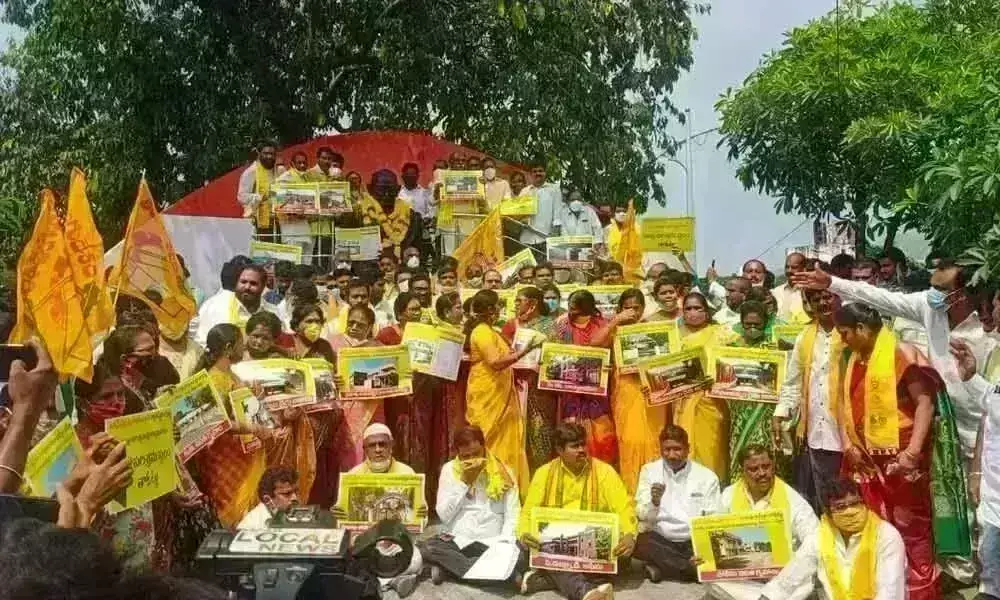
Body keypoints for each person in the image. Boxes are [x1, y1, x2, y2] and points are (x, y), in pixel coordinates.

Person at [833, 302, 939, 600]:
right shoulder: (850, 357)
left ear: (861, 329)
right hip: (864, 460)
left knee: (909, 525)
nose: (842, 339)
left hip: (902, 459)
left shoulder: (902, 353)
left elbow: (925, 403)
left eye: (845, 332)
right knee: (875, 524)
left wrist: (912, 453)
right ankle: (885, 588)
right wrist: (848, 444)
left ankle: (919, 591)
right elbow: (841, 403)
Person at [517, 423, 636, 600]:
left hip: (591, 547)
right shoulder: (544, 473)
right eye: (575, 446)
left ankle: (539, 580)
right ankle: (586, 591)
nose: (581, 450)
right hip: (556, 546)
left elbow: (623, 507)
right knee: (525, 550)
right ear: (559, 450)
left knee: (622, 557)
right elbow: (528, 512)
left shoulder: (604, 472)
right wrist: (525, 533)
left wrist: (629, 535)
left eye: (583, 444)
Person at [761, 478, 906, 600]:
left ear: (864, 503)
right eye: (841, 506)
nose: (850, 511)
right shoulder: (820, 537)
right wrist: (767, 597)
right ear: (828, 512)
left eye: (854, 503)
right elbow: (791, 576)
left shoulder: (887, 536)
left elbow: (891, 591)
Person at [707, 444, 818, 600]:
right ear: (742, 471)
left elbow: (814, 539)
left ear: (773, 466)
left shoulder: (793, 499)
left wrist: (779, 587)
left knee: (804, 583)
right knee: (712, 579)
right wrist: (703, 557)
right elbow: (712, 534)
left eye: (766, 466)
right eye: (754, 469)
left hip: (781, 578)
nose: (762, 473)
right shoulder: (729, 494)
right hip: (742, 576)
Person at [771, 288, 845, 512]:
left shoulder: (851, 331)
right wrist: (781, 412)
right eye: (816, 299)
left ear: (839, 297)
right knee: (824, 494)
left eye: (827, 296)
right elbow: (793, 381)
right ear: (809, 304)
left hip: (850, 430)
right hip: (817, 431)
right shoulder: (805, 336)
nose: (822, 302)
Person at [422, 426, 521, 585]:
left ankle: (451, 569)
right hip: (458, 541)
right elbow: (444, 516)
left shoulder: (505, 472)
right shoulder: (449, 470)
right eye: (466, 457)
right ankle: (501, 575)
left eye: (476, 454)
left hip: (492, 543)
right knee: (427, 547)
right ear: (458, 454)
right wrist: (464, 482)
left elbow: (513, 514)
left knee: (520, 554)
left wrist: (504, 545)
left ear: (484, 448)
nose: (473, 460)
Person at [335, 423, 424, 598]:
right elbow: (344, 521)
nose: (378, 450)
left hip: (396, 544)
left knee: (416, 559)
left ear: (391, 446)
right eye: (372, 445)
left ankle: (377, 583)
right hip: (367, 545)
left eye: (382, 444)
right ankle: (393, 581)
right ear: (365, 449)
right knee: (351, 560)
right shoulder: (353, 475)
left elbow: (417, 519)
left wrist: (422, 515)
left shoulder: (407, 473)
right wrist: (340, 514)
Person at [466, 290, 536, 492]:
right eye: (498, 306)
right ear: (490, 309)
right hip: (487, 393)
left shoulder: (492, 330)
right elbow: (495, 362)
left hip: (500, 391)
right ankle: (488, 488)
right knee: (488, 438)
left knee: (506, 441)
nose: (500, 310)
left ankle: (509, 489)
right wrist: (524, 352)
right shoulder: (481, 332)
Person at [634, 425, 720, 583]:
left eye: (677, 449)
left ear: (688, 449)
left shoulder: (707, 477)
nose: (672, 455)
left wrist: (703, 548)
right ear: (660, 449)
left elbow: (713, 518)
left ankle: (664, 568)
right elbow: (642, 515)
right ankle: (689, 570)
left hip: (692, 542)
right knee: (641, 542)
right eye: (667, 450)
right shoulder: (649, 471)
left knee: (712, 550)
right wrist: (654, 502)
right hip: (661, 539)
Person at [550, 290, 618, 464]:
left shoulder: (603, 325)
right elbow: (552, 353)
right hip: (570, 393)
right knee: (571, 431)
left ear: (586, 308)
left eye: (574, 308)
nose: (570, 311)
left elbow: (610, 353)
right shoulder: (561, 326)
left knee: (602, 435)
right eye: (569, 307)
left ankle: (600, 469)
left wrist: (610, 367)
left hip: (597, 394)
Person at [609, 289, 665, 492]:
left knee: (652, 439)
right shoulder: (614, 330)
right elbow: (595, 343)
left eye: (636, 307)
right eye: (627, 308)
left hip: (650, 391)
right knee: (629, 441)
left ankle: (654, 490)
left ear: (643, 308)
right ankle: (631, 491)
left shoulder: (655, 329)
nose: (632, 312)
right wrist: (616, 321)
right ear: (620, 309)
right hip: (625, 391)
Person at [674, 291, 734, 481]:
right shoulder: (674, 336)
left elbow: (735, 361)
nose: (693, 313)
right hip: (683, 401)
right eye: (688, 309)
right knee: (685, 444)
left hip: (712, 401)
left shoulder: (722, 333)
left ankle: (713, 486)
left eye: (697, 308)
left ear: (707, 312)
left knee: (712, 449)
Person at [500, 286, 558, 472]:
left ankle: (541, 476)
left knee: (540, 432)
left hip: (540, 389)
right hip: (515, 386)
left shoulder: (552, 325)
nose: (516, 304)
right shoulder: (511, 325)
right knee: (516, 434)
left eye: (520, 300)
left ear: (532, 304)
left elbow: (560, 355)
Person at [195, 263, 277, 347]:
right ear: (236, 283)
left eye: (253, 283)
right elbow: (201, 342)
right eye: (243, 282)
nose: (247, 287)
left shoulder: (273, 312)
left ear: (263, 286)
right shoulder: (216, 306)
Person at [359, 169, 424, 259]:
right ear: (370, 189)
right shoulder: (359, 214)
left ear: (398, 190)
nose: (386, 194)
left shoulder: (412, 217)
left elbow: (418, 248)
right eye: (381, 190)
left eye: (391, 190)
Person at [274, 151, 314, 260]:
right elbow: (281, 203)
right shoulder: (285, 178)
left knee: (306, 264)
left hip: (305, 229)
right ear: (292, 164)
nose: (302, 165)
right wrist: (296, 212)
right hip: (291, 230)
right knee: (293, 262)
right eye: (299, 163)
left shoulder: (305, 178)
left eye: (304, 163)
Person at [237, 140, 279, 241]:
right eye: (266, 153)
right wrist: (261, 197)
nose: (269, 156)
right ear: (259, 154)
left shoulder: (277, 171)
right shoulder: (251, 172)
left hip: (276, 221)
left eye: (272, 154)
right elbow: (241, 196)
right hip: (257, 222)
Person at [519, 163, 561, 254]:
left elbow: (557, 216)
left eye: (540, 171)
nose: (538, 173)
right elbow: (518, 213)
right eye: (534, 171)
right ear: (530, 174)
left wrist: (554, 238)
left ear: (545, 173)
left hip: (545, 238)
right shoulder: (524, 191)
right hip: (526, 238)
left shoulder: (554, 189)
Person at [772, 252, 809, 323]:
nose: (789, 270)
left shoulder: (810, 291)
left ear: (804, 269)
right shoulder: (775, 292)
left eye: (794, 267)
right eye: (787, 267)